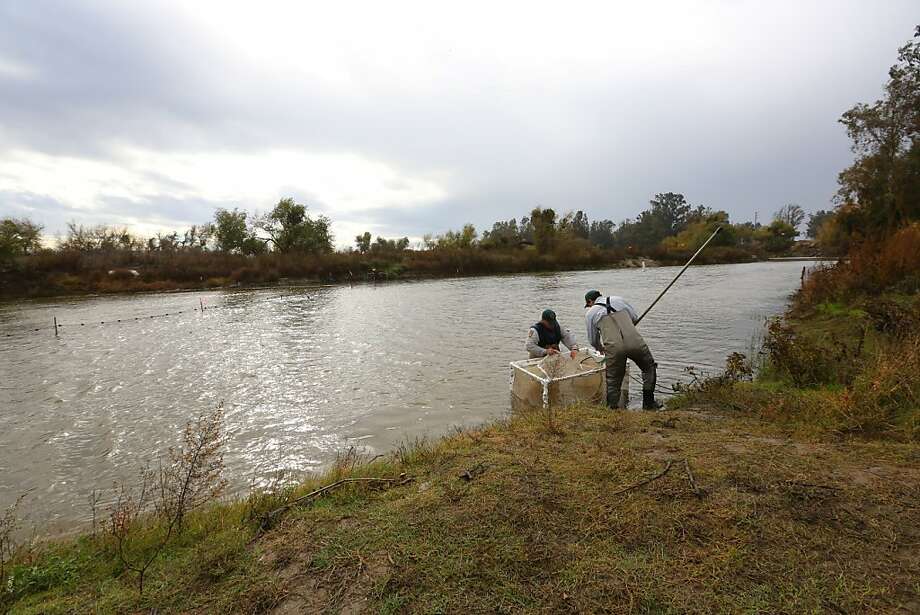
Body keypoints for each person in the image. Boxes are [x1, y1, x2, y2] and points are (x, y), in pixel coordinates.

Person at [584, 289, 661, 410]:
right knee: (649, 368)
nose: (588, 307)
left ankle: (612, 409)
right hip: (635, 342)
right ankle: (648, 403)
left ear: (590, 301)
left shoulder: (590, 314)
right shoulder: (618, 299)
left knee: (613, 379)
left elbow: (593, 339)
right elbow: (634, 318)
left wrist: (600, 348)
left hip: (614, 348)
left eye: (588, 305)